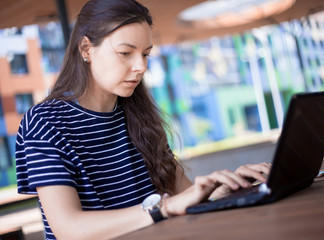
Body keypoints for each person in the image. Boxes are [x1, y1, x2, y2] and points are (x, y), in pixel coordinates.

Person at [15, 0, 271, 239]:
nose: (141, 66)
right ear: (86, 49)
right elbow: (69, 229)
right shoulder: (44, 122)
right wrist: (164, 208)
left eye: (146, 54)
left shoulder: (139, 115)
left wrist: (225, 189)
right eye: (126, 53)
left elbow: (184, 197)